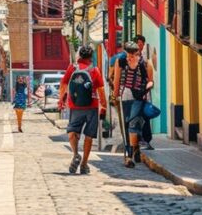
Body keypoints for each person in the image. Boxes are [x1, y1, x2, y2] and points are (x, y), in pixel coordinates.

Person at [59, 45, 107, 175]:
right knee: (89, 136)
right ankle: (84, 164)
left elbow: (63, 84)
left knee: (72, 131)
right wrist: (104, 105)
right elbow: (101, 89)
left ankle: (75, 154)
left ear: (79, 55)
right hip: (91, 106)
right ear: (91, 57)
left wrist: (61, 100)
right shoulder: (94, 70)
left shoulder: (72, 68)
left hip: (75, 105)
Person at [112, 41, 155, 168]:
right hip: (125, 96)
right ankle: (134, 149)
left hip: (138, 97)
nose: (130, 58)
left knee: (132, 124)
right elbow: (117, 80)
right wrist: (115, 95)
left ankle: (129, 156)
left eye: (133, 55)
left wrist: (145, 90)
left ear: (138, 53)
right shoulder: (120, 62)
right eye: (128, 55)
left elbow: (151, 81)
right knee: (127, 126)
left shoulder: (146, 64)